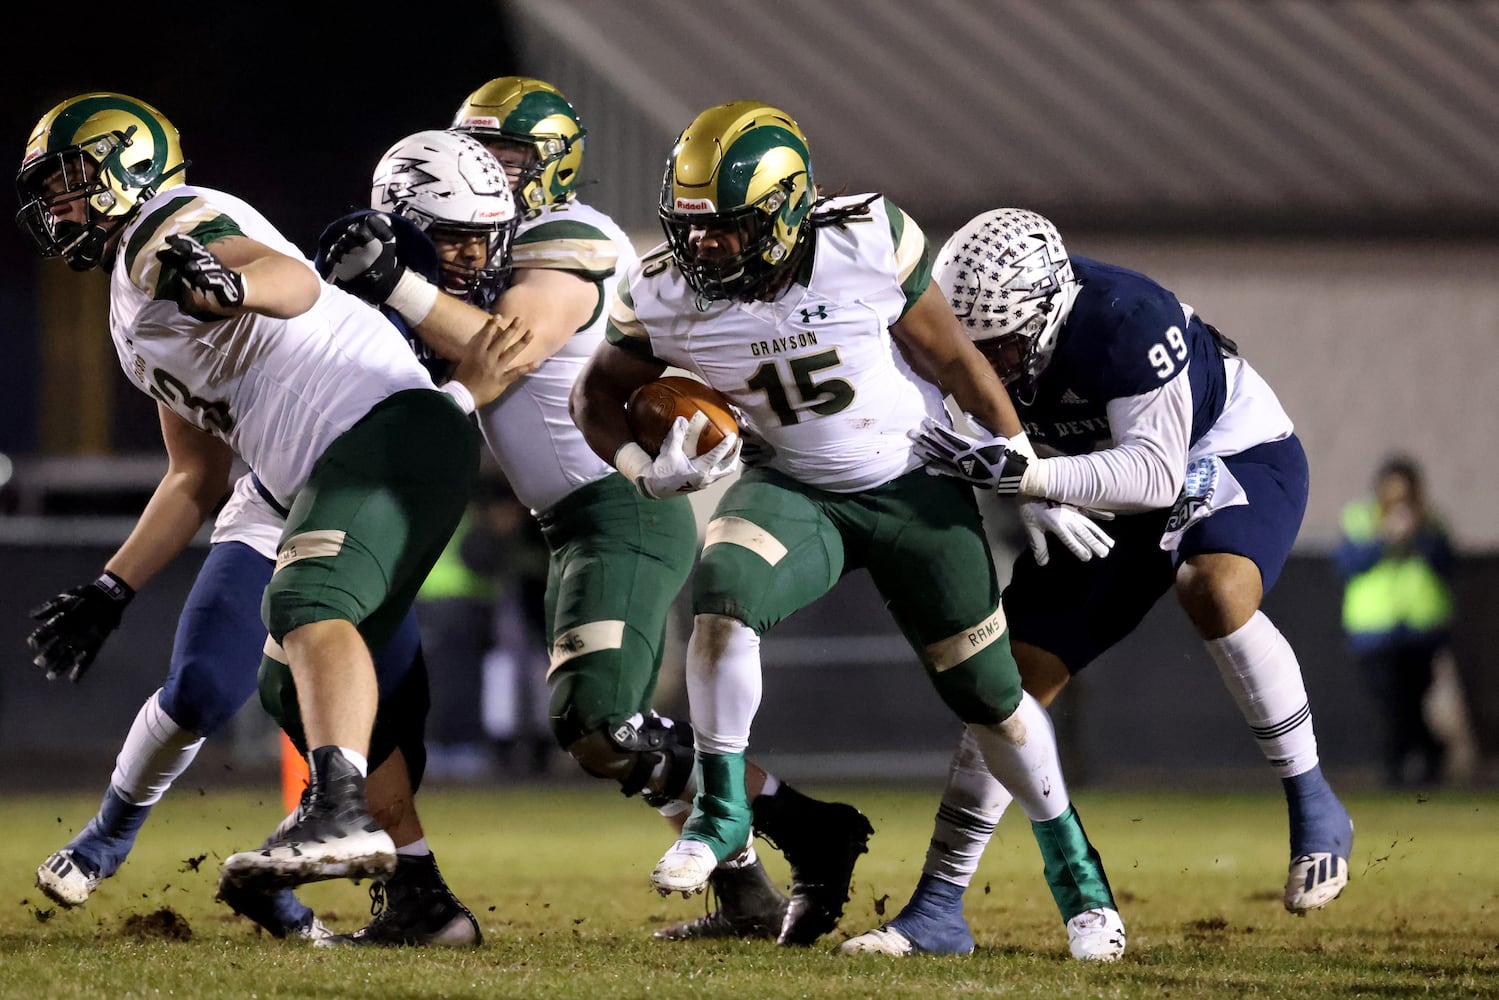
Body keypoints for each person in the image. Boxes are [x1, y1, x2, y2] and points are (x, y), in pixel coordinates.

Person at [567, 102, 1125, 962]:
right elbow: (593, 398)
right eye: (693, 230)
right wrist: (647, 472)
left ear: (788, 210)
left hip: (914, 485)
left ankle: (1077, 875)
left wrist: (1026, 471)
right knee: (722, 593)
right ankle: (720, 814)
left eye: (727, 230)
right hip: (793, 488)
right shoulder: (661, 293)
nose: (704, 250)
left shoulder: (867, 238)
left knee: (989, 698)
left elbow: (952, 359)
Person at [319, 88, 873, 947]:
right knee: (597, 735)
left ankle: (808, 828)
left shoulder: (567, 237)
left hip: (623, 512)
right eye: (473, 153)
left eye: (506, 157)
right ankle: (749, 896)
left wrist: (395, 283)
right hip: (569, 525)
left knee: (601, 719)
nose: (484, 175)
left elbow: (506, 345)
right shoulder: (473, 253)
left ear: (555, 164)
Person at [16, 93, 532, 909]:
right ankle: (421, 904)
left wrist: (231, 286)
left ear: (129, 167)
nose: (57, 203)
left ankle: (335, 816)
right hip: (298, 480)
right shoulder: (128, 306)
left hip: (372, 436)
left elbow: (290, 280)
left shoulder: (170, 221)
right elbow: (196, 472)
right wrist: (112, 587)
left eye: (71, 179)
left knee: (315, 623)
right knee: (289, 691)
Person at [843, 207, 1355, 956]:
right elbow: (959, 425)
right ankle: (938, 906)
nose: (991, 362)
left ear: (1048, 311)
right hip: (1088, 480)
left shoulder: (1127, 320)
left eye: (1006, 346)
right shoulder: (973, 326)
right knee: (1004, 682)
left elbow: (1152, 474)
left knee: (1211, 588)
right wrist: (1039, 488)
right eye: (975, 346)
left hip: (1222, 453)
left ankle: (1312, 801)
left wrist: (1036, 476)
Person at [1333, 455, 1455, 788]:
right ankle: (1410, 759)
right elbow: (1348, 564)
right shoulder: (1361, 520)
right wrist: (1384, 537)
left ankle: (1406, 765)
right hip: (1374, 631)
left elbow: (1445, 563)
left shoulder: (1430, 523)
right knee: (1389, 702)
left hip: (1420, 630)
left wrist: (1417, 534)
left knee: (1413, 701)